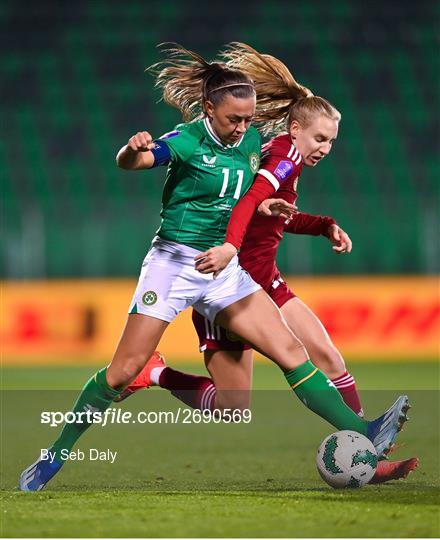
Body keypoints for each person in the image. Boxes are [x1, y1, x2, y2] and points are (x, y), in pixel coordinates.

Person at [19, 44, 409, 492]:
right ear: (209, 108)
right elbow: (136, 163)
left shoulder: (251, 143)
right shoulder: (185, 140)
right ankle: (56, 453)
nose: (243, 127)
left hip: (223, 269)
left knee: (290, 352)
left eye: (248, 119)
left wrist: (271, 212)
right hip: (173, 265)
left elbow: (242, 199)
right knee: (122, 370)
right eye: (233, 119)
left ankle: (365, 432)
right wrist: (131, 150)